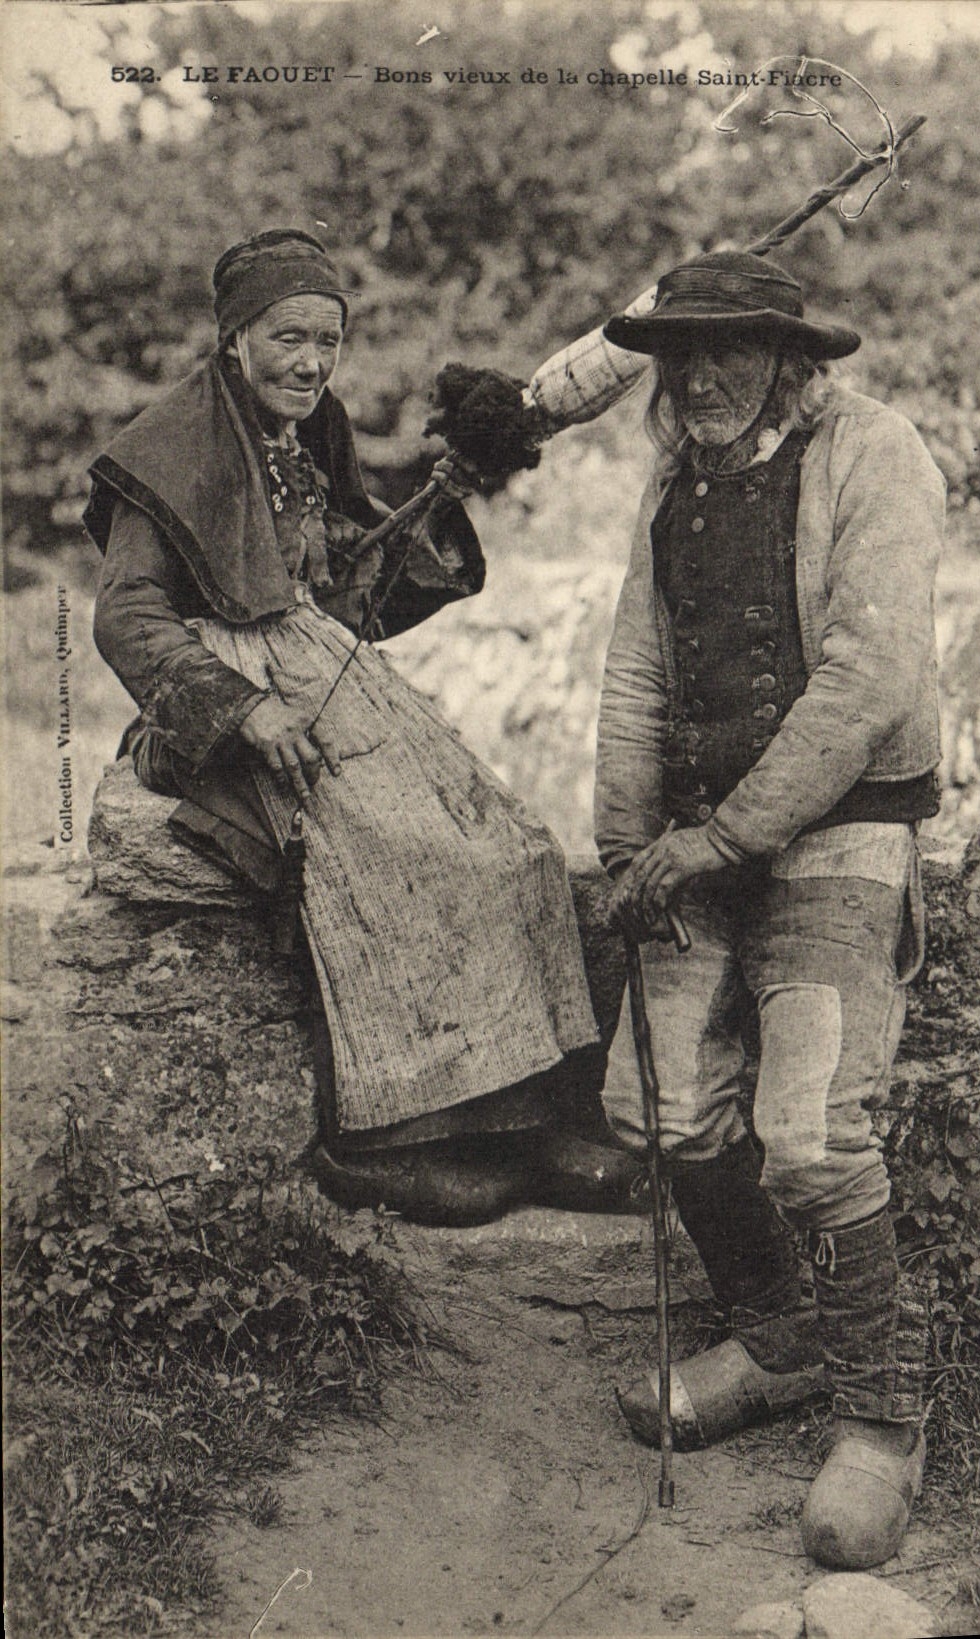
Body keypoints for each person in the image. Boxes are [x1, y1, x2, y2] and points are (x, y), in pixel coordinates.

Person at [86, 227, 618, 1219]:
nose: (309, 361)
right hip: (233, 693)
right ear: (233, 336)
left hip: (313, 662)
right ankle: (385, 1137)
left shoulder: (308, 430)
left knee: (511, 843)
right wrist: (239, 711)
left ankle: (532, 1117)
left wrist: (439, 495)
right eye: (287, 336)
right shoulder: (167, 448)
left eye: (326, 340)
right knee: (400, 852)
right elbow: (126, 614)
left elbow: (336, 579)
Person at [583, 250, 945, 1570]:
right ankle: (779, 1332)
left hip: (842, 822)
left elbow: (867, 673)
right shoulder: (670, 481)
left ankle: (877, 1416)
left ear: (791, 356)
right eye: (678, 356)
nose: (700, 378)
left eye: (731, 349)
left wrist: (728, 834)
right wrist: (630, 848)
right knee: (657, 1105)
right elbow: (634, 665)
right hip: (696, 835)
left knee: (808, 1130)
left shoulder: (876, 454)